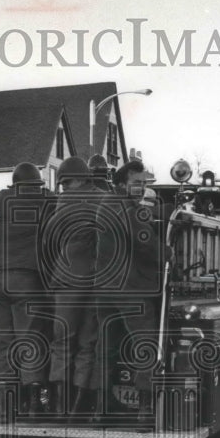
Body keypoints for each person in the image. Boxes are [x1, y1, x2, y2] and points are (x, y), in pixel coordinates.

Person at [89, 158, 166, 417]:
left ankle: (102, 406)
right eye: (136, 183)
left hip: (104, 289)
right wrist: (169, 255)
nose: (141, 188)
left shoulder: (105, 205)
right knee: (145, 345)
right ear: (122, 183)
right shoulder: (129, 209)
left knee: (106, 346)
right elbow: (146, 243)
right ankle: (145, 408)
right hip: (131, 289)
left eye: (144, 183)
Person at [0, 162, 54, 417]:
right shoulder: (45, 200)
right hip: (25, 277)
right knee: (29, 338)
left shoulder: (3, 198)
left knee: (2, 340)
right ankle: (34, 403)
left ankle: (3, 405)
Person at [42, 156, 105, 416]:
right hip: (94, 281)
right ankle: (79, 405)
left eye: (67, 182)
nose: (65, 186)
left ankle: (59, 406)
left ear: (80, 179)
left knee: (62, 341)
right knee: (87, 342)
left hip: (66, 279)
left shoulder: (63, 202)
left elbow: (49, 238)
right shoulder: (105, 198)